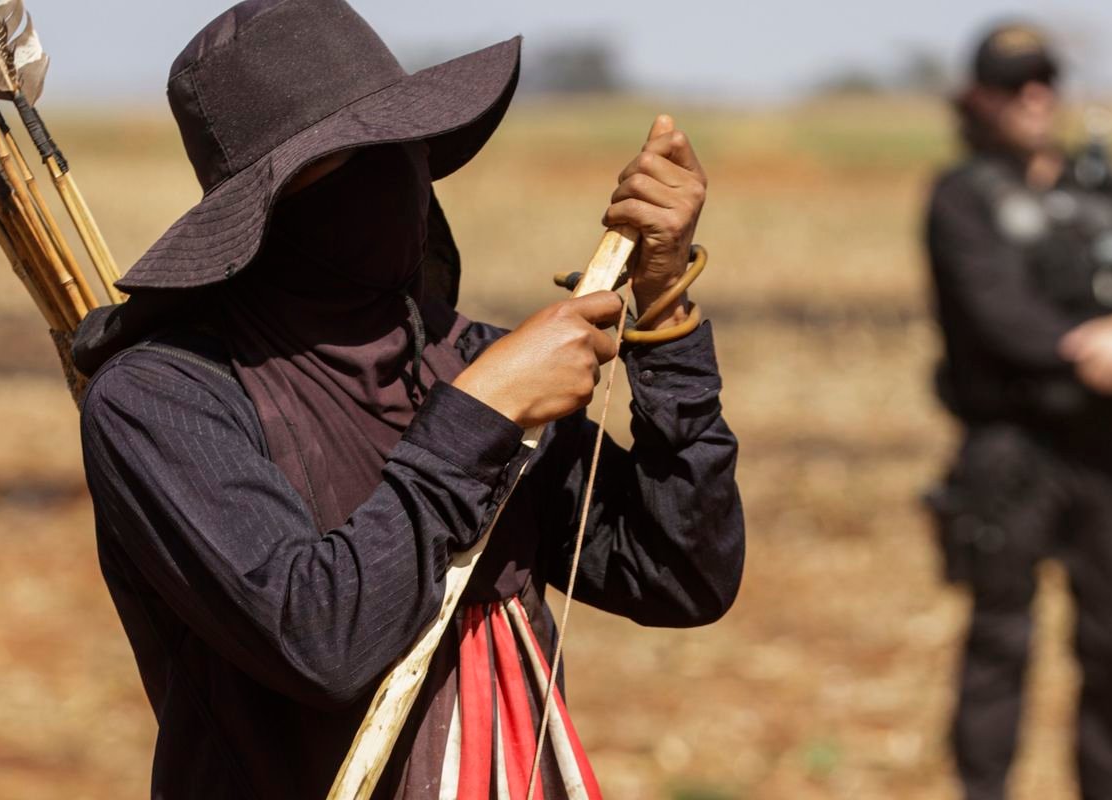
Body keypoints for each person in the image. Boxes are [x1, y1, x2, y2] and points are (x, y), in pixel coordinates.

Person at [70, 0, 744, 797]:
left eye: (398, 147)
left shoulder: (464, 355)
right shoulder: (163, 399)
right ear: (263, 213)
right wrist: (477, 420)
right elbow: (322, 640)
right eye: (336, 166)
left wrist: (663, 317)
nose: (385, 181)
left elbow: (676, 575)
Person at [922, 22, 1112, 800]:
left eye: (1043, 79)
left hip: (1099, 450)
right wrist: (1109, 356)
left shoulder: (1106, 185)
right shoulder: (961, 196)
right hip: (1006, 448)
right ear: (978, 98)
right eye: (1012, 84)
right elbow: (996, 312)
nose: (1033, 96)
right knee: (1002, 639)